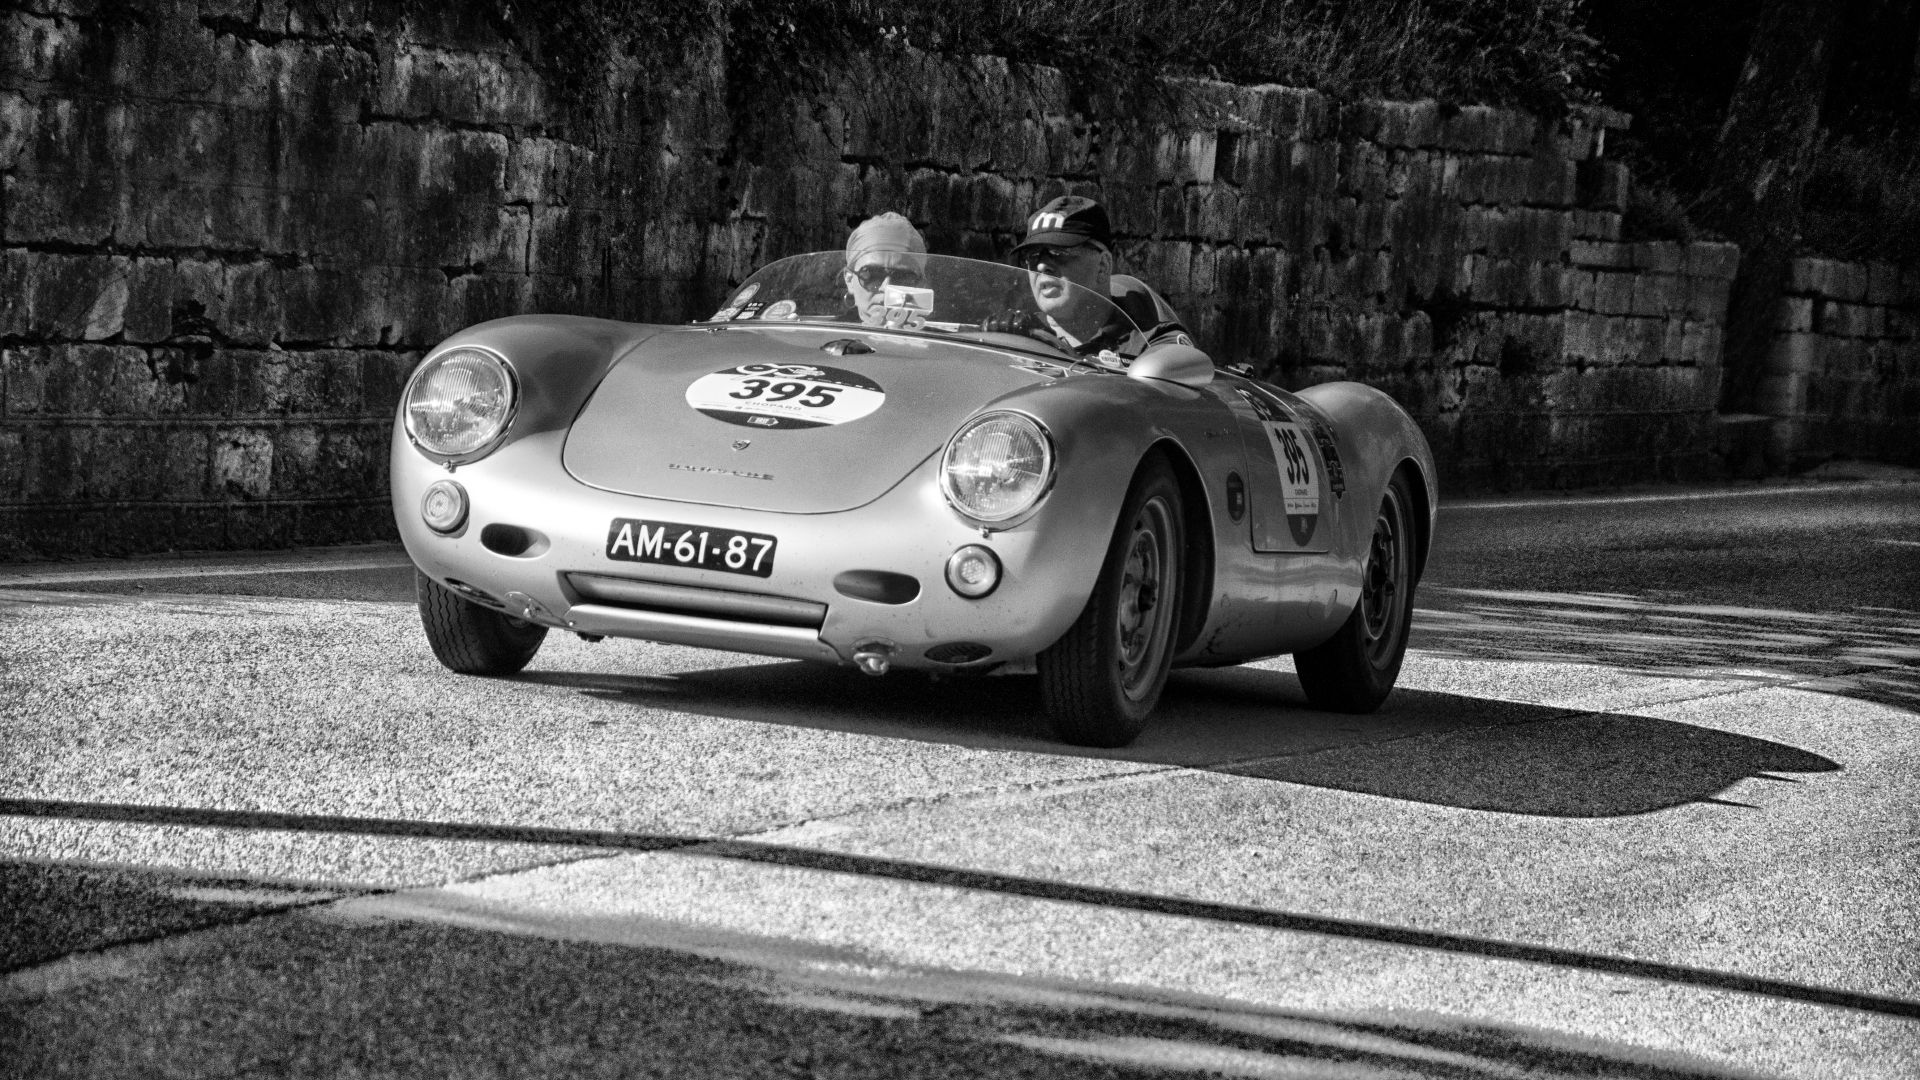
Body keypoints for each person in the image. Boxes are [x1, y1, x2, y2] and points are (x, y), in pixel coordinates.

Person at [987, 195, 1193, 358]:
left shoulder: (1148, 346)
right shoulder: (1017, 332)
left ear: (1103, 265)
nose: (1041, 265)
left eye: (1058, 252)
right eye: (1032, 255)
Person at [842, 212, 930, 327]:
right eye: (871, 274)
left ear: (920, 285)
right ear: (849, 280)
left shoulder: (941, 342)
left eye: (902, 277)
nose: (886, 288)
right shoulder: (820, 337)